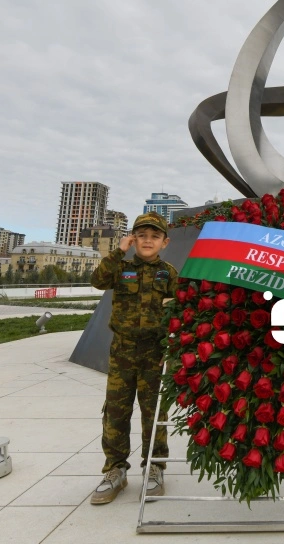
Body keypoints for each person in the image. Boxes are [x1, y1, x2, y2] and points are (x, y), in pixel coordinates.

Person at [89, 212, 178, 505]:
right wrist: (118, 251)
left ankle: (154, 466)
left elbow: (182, 308)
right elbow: (97, 281)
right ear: (133, 239)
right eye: (142, 235)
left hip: (155, 352)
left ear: (164, 242)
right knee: (116, 412)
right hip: (123, 350)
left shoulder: (169, 273)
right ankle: (115, 470)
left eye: (154, 236)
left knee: (154, 413)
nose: (148, 241)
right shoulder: (120, 267)